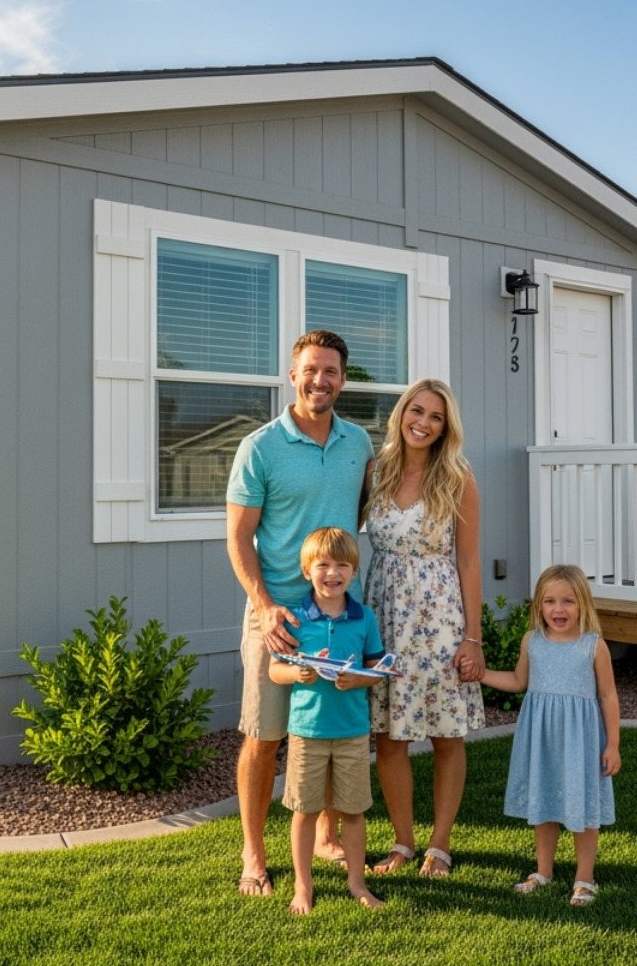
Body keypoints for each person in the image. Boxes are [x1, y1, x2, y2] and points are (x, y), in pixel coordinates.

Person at [226, 330, 373, 898]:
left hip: (336, 614)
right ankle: (254, 853)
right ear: (293, 375)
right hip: (279, 618)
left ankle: (326, 836)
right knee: (265, 737)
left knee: (331, 728)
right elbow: (238, 538)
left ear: (343, 378)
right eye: (311, 369)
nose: (321, 380)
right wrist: (264, 607)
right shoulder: (260, 447)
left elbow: (361, 516)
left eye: (332, 371)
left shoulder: (359, 443)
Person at [363, 378, 486, 879]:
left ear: (445, 427)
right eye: (417, 411)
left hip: (438, 619)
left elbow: (471, 561)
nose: (424, 423)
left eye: (436, 417)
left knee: (445, 734)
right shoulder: (375, 470)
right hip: (382, 614)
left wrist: (472, 639)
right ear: (401, 414)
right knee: (390, 737)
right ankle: (403, 842)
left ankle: (440, 845)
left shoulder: (457, 477)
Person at [481, 564, 621, 906]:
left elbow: (608, 696)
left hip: (581, 742)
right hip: (541, 741)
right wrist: (481, 674)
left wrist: (613, 744)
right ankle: (543, 871)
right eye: (550, 601)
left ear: (583, 604)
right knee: (543, 803)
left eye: (568, 602)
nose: (558, 610)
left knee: (582, 807)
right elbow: (518, 682)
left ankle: (584, 879)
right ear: (538, 606)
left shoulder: (593, 646)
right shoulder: (533, 642)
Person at [268, 528, 388, 914]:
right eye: (322, 565)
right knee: (305, 811)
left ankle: (357, 884)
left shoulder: (364, 617)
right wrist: (298, 674)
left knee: (353, 811)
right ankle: (303, 888)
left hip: (352, 732)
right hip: (307, 732)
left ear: (354, 571)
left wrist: (359, 680)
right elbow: (275, 670)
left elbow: (378, 669)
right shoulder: (297, 619)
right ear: (307, 571)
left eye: (342, 565)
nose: (332, 573)